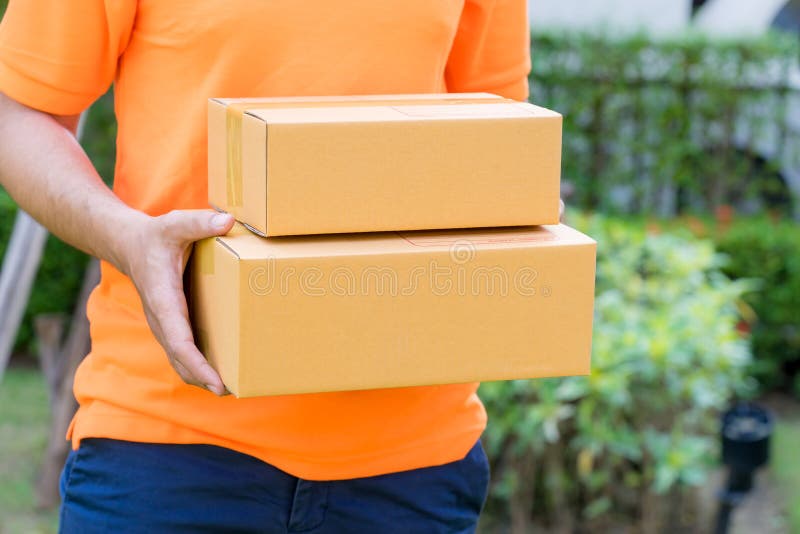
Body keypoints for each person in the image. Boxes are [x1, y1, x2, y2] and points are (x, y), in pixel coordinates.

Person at [0, 1, 531, 532]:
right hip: (166, 446)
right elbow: (18, 112)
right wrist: (125, 236)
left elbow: (494, 132)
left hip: (413, 464)